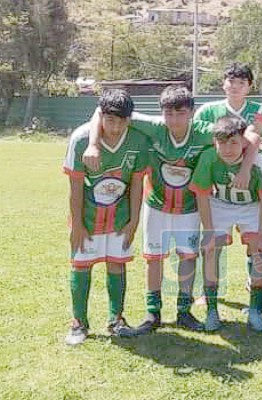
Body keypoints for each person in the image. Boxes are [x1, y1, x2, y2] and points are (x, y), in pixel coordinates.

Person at [82, 85, 261, 334]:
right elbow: (100, 111)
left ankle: (184, 311)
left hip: (189, 207)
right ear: (161, 113)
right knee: (154, 259)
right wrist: (93, 144)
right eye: (169, 114)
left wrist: (244, 170)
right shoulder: (154, 127)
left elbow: (251, 137)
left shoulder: (204, 132)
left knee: (188, 257)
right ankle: (152, 313)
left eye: (180, 113)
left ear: (192, 113)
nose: (174, 120)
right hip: (156, 203)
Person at [63, 90, 149, 345]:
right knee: (82, 265)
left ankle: (116, 319)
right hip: (88, 219)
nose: (116, 127)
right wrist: (76, 224)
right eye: (110, 120)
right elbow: (75, 187)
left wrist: (133, 222)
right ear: (101, 117)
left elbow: (137, 184)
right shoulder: (81, 140)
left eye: (122, 121)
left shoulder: (138, 141)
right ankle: (78, 323)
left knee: (116, 263)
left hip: (119, 217)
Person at [189, 116, 262, 331]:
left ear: (244, 142)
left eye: (234, 142)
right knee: (210, 248)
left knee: (260, 251)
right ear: (214, 142)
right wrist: (208, 231)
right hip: (221, 203)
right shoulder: (208, 158)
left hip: (251, 206)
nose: (227, 149)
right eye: (222, 142)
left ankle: (255, 310)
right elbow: (202, 195)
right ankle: (212, 310)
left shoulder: (260, 162)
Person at [194, 63, 260, 125]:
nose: (235, 86)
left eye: (241, 82)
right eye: (231, 81)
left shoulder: (261, 111)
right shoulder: (207, 111)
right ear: (223, 84)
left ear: (249, 87)